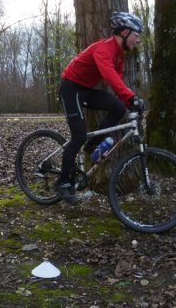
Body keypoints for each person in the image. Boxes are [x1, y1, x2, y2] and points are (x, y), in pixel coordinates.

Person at [56, 11, 146, 204]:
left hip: (85, 90)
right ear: (124, 32)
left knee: (118, 107)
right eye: (136, 35)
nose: (137, 40)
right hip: (70, 88)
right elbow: (109, 76)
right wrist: (131, 97)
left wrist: (131, 101)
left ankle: (92, 144)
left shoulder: (119, 56)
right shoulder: (103, 49)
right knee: (78, 135)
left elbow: (118, 81)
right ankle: (63, 183)